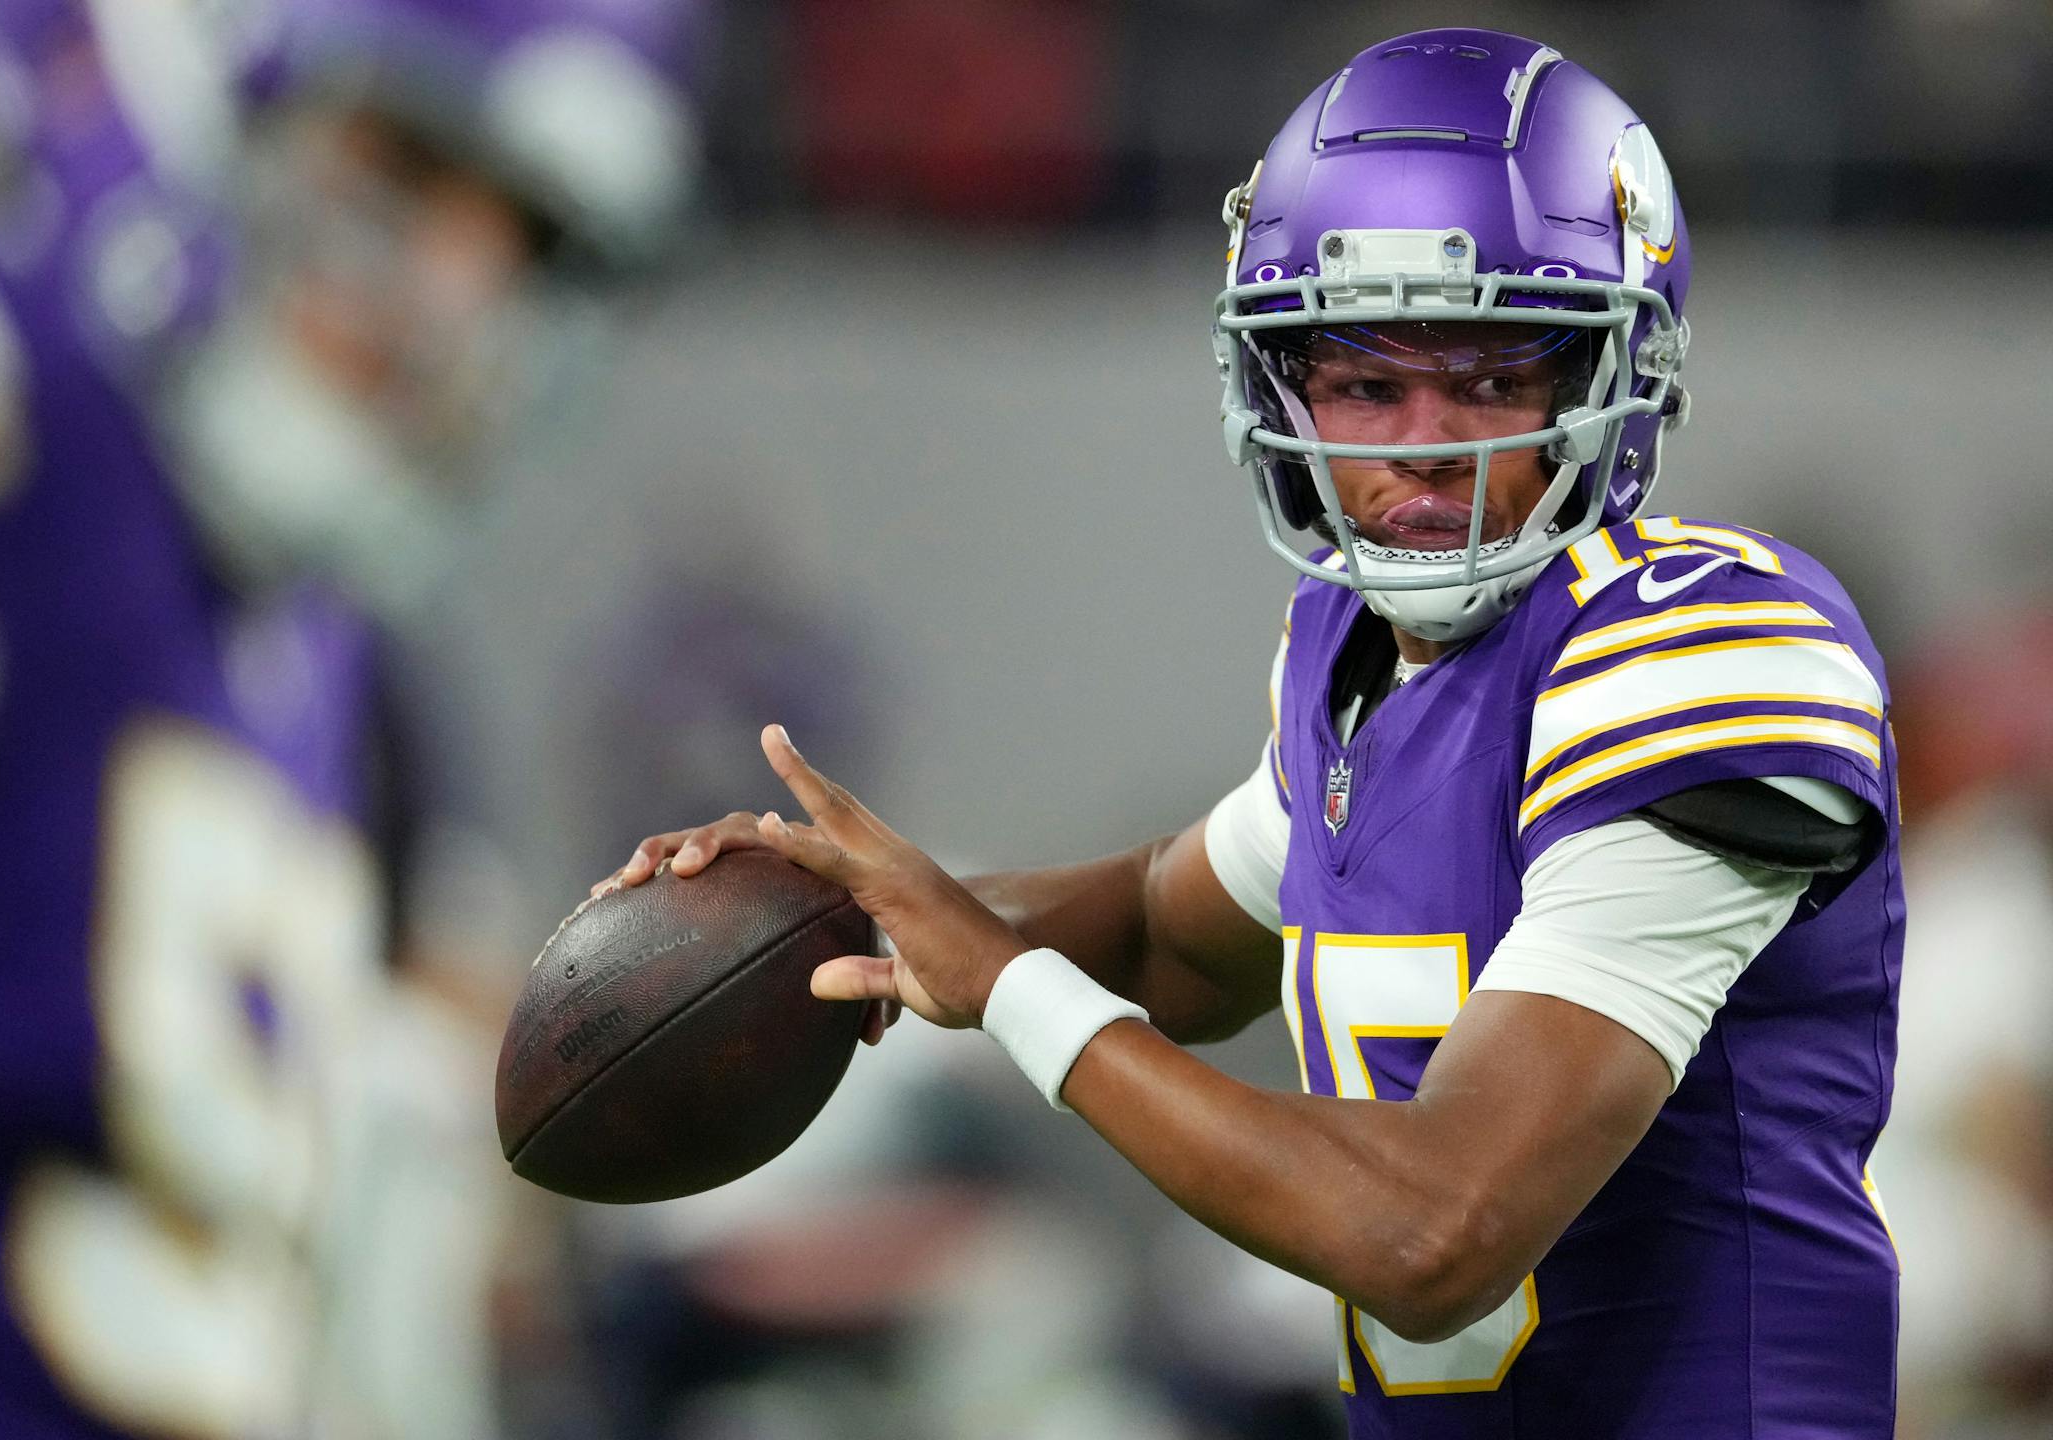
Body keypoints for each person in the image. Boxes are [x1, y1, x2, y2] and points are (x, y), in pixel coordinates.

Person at [599, 26, 1903, 1439]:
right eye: (1362, 383)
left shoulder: (1700, 654)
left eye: (1488, 378)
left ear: (1610, 381)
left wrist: (1017, 989)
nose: (1421, 443)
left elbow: (1432, 1232)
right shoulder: (1348, 662)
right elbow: (1174, 936)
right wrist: (857, 917)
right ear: (1278, 391)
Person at [0, 0, 697, 1433]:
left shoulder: (335, 649)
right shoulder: (8, 460)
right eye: (398, 172)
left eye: (519, 244)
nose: (445, 293)